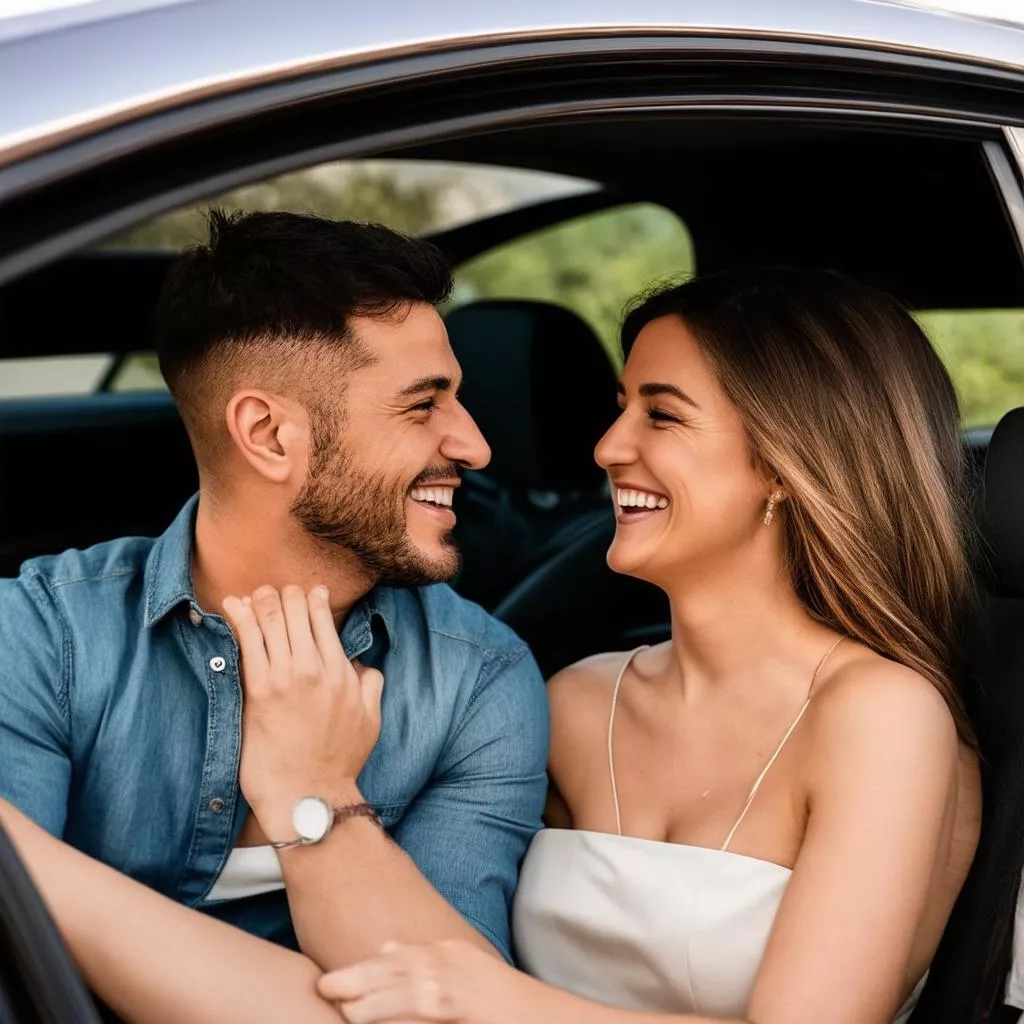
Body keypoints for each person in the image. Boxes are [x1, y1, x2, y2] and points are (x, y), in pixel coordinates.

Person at [314, 267, 983, 1024]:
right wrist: (314, 792)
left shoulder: (880, 715)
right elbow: (415, 963)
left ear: (783, 466)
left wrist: (501, 1003)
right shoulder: (573, 699)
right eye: (619, 409)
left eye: (661, 417)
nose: (606, 448)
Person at [0, 209, 549, 973]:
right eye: (423, 404)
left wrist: (316, 790)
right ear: (267, 434)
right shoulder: (36, 637)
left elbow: (454, 1003)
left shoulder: (481, 681)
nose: (475, 445)